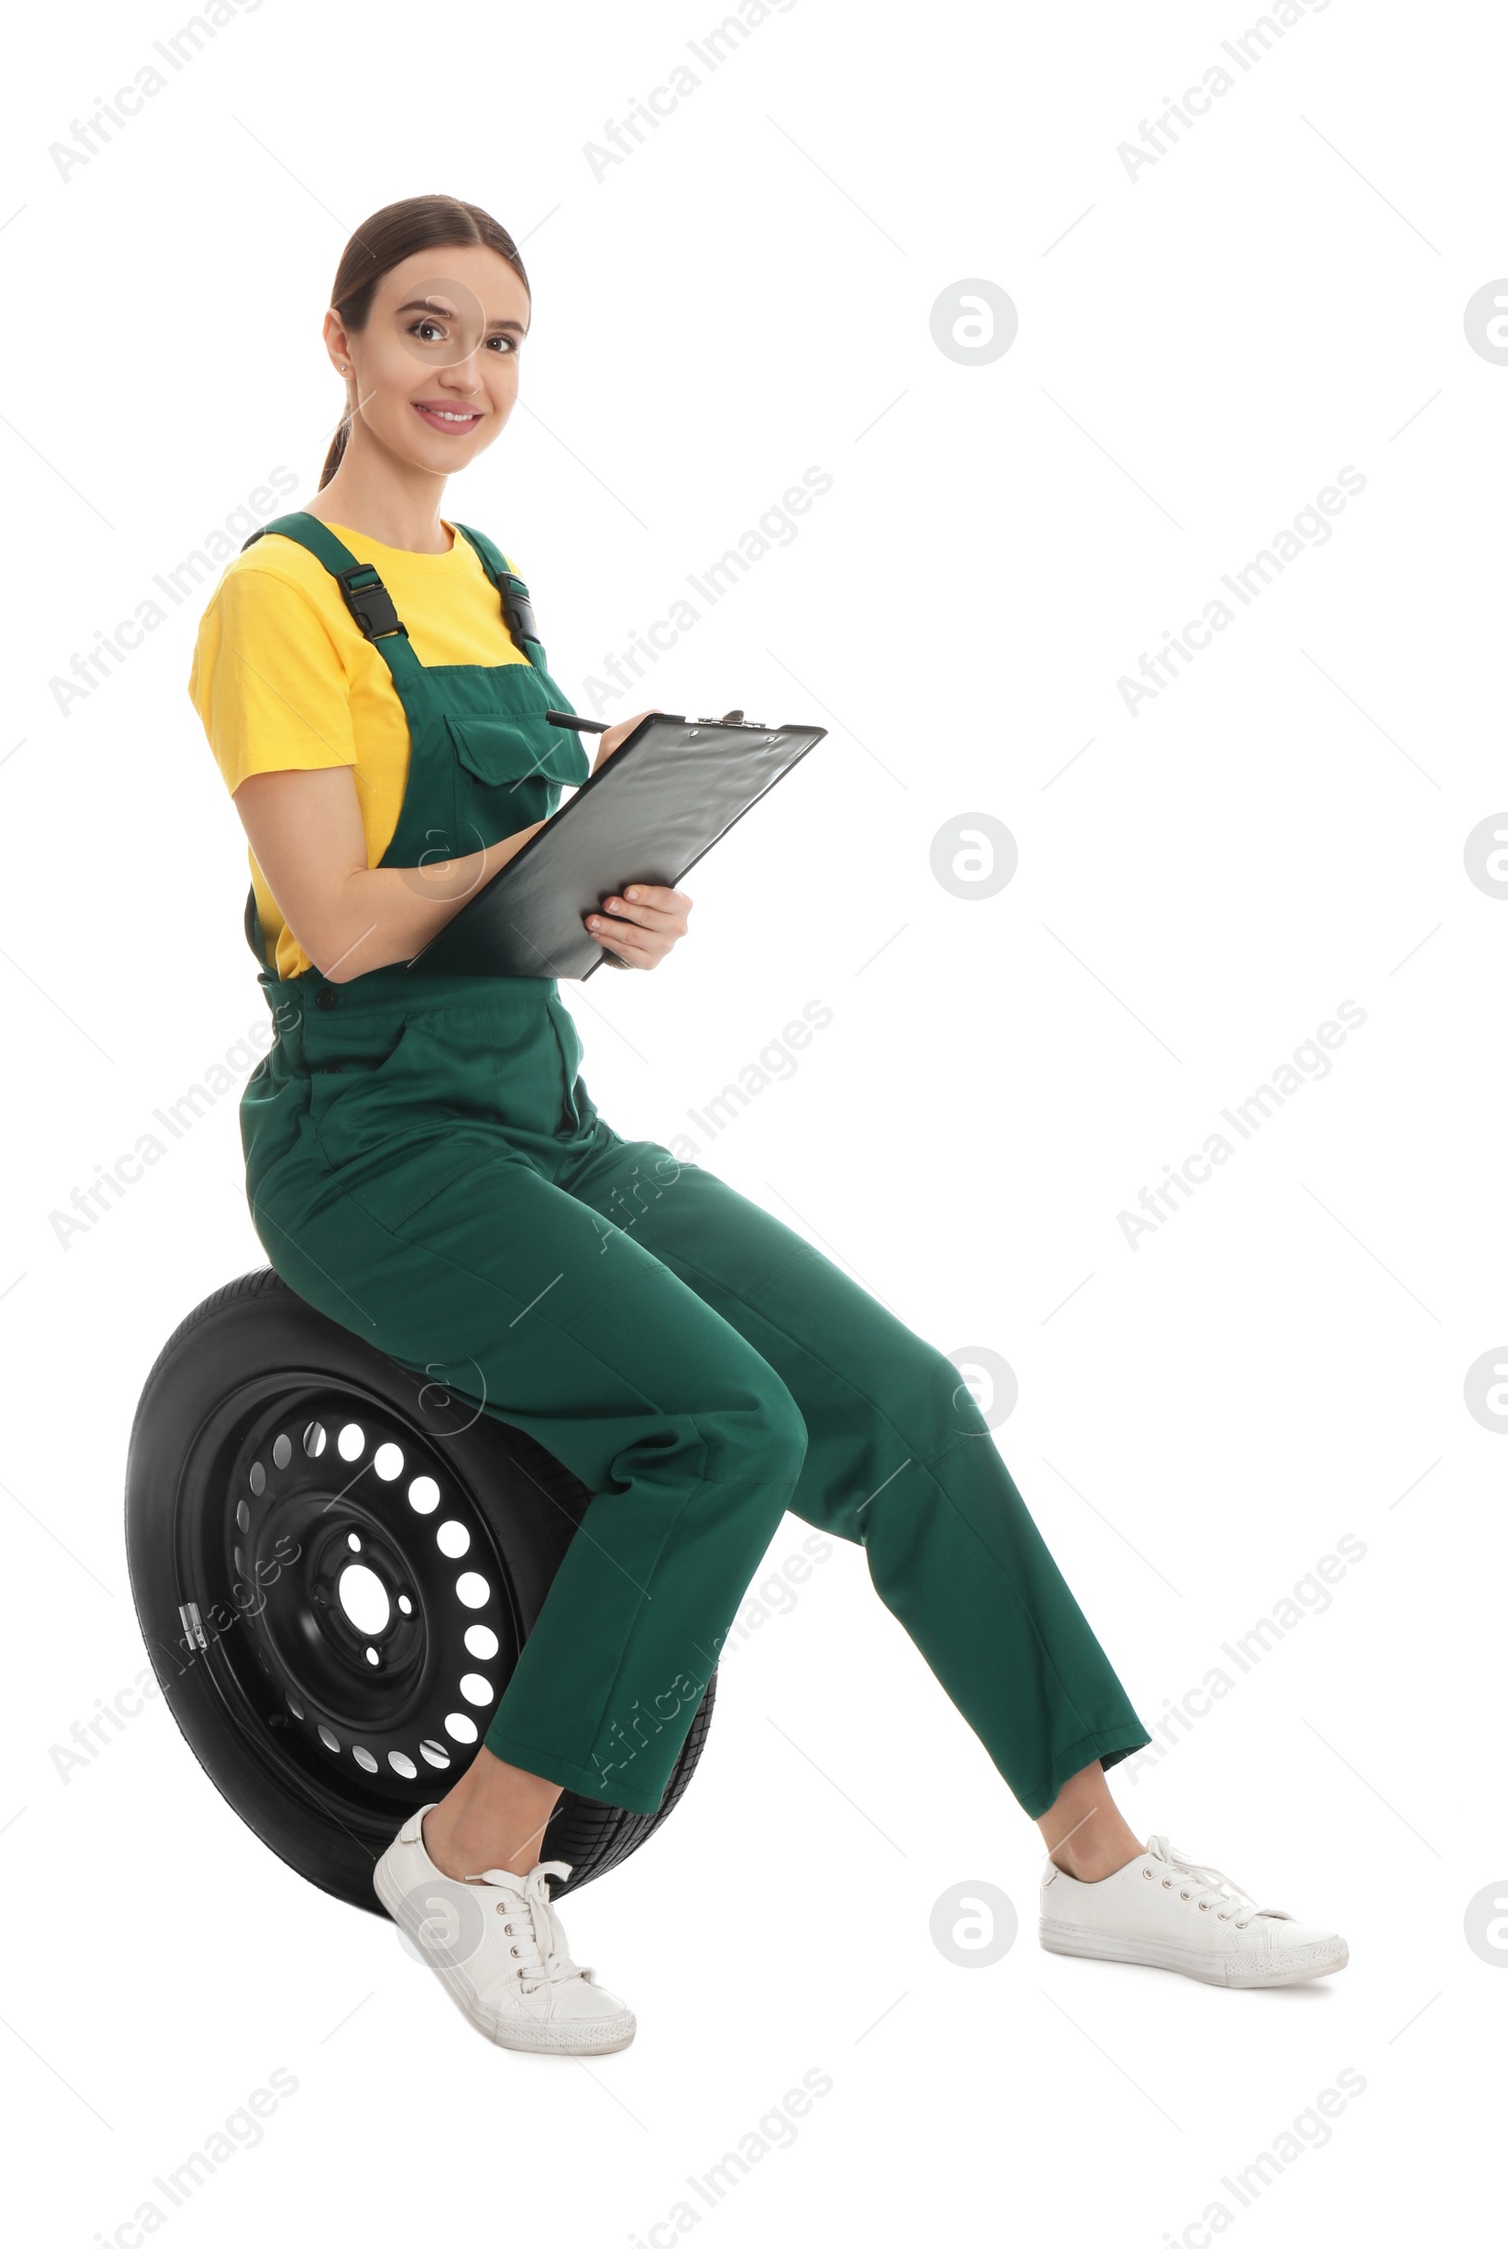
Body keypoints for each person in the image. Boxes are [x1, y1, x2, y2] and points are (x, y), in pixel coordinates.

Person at [188, 194, 1348, 2058]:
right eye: (424, 331)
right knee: (721, 1426)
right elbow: (340, 916)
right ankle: (469, 1855)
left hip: (540, 1115)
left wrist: (614, 894)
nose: (464, 375)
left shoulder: (484, 579)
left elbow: (495, 909)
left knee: (901, 1405)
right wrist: (533, 856)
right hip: (369, 1144)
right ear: (337, 343)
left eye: (498, 343)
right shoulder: (278, 597)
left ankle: (1099, 1858)